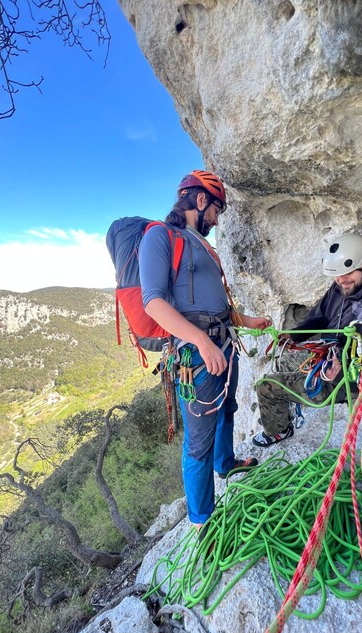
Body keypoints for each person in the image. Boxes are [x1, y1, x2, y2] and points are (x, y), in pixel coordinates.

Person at [139, 170, 270, 530]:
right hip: (198, 354)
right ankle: (202, 523)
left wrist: (248, 321)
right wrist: (201, 342)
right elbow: (153, 303)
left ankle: (225, 463)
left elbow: (215, 306)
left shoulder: (202, 246)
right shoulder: (159, 237)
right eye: (217, 209)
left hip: (223, 342)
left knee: (228, 406)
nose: (217, 217)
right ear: (200, 200)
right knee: (197, 441)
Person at [252, 232, 362, 447]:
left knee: (266, 386)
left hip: (346, 379)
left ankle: (278, 432)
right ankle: (291, 402)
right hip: (328, 357)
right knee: (284, 361)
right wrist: (293, 335)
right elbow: (319, 317)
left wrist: (344, 373)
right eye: (337, 276)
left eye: (347, 274)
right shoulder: (343, 287)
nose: (341, 281)